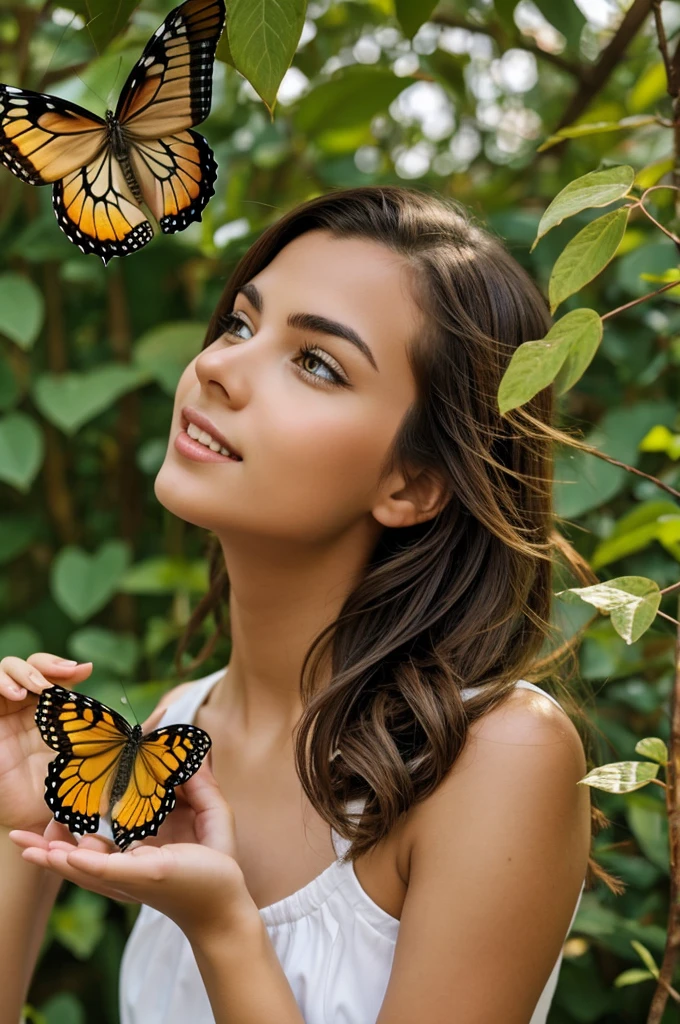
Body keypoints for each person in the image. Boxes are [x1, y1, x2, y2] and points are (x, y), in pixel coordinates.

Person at [1, 185, 619, 1024]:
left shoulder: (496, 755)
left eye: (317, 363)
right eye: (240, 325)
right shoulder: (180, 721)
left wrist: (225, 931)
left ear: (415, 483)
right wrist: (21, 835)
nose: (217, 366)